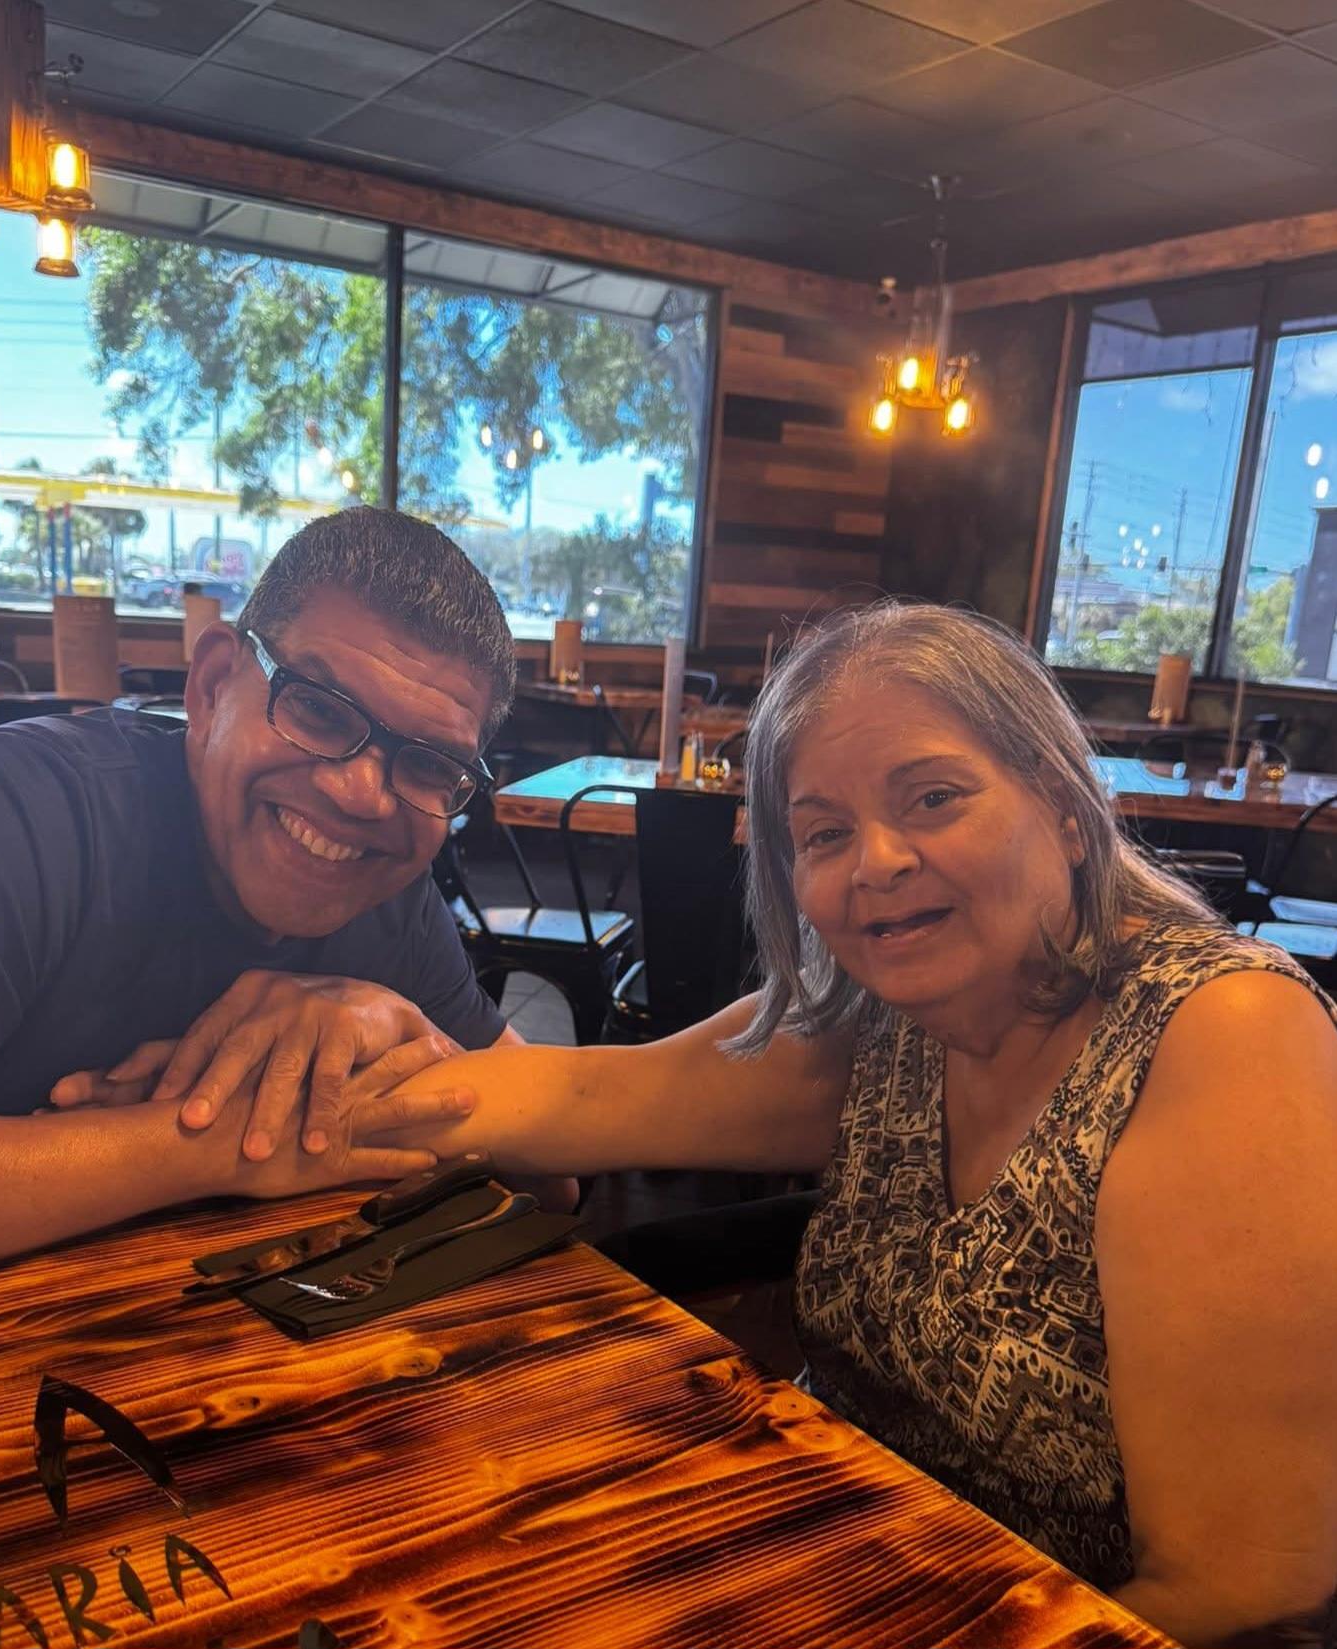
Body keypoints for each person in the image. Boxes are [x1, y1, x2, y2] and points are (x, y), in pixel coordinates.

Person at [379, 603, 1337, 1648]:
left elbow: (1245, 1591)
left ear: (1065, 805)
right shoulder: (873, 1010)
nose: (877, 859)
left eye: (933, 797)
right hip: (819, 1555)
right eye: (825, 832)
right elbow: (580, 1098)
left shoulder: (1221, 1033)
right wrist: (351, 1053)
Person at [0, 508, 531, 1295]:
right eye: (319, 710)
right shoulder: (19, 811)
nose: (363, 794)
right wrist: (211, 1142)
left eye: (429, 764)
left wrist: (401, 1030)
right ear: (211, 685)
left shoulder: (386, 885)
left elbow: (549, 1172)